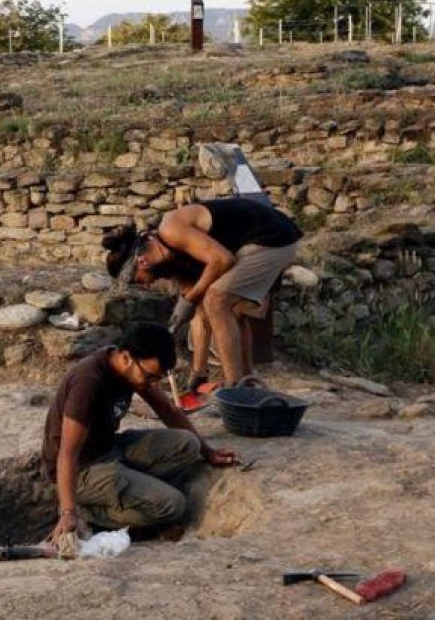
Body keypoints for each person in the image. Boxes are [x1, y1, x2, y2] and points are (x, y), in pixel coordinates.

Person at [42, 323, 238, 543]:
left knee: (189, 445)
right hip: (83, 469)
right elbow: (68, 452)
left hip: (109, 447)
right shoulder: (88, 384)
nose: (152, 384)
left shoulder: (129, 367)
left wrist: (208, 452)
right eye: (150, 376)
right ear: (126, 358)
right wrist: (68, 512)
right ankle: (90, 515)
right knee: (173, 505)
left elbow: (167, 410)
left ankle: (132, 490)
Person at [104, 198, 303, 388]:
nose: (146, 286)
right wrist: (198, 372)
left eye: (139, 280)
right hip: (254, 242)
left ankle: (235, 386)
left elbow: (222, 260)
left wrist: (190, 298)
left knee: (217, 300)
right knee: (230, 311)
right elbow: (200, 315)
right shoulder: (171, 264)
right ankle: (246, 381)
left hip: (274, 235)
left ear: (142, 262)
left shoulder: (171, 230)